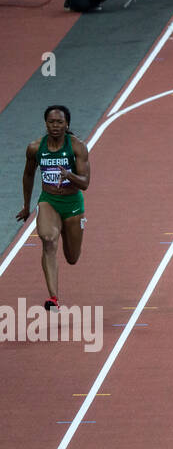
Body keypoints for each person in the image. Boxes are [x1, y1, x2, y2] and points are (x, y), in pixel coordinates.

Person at [16, 105, 90, 310]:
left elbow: (85, 183)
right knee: (48, 240)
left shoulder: (77, 147)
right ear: (45, 123)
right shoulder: (35, 148)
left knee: (72, 257)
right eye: (51, 122)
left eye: (59, 122)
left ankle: (68, 228)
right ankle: (54, 299)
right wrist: (26, 205)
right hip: (49, 200)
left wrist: (69, 175)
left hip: (73, 204)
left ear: (67, 124)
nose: (55, 126)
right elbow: (28, 174)